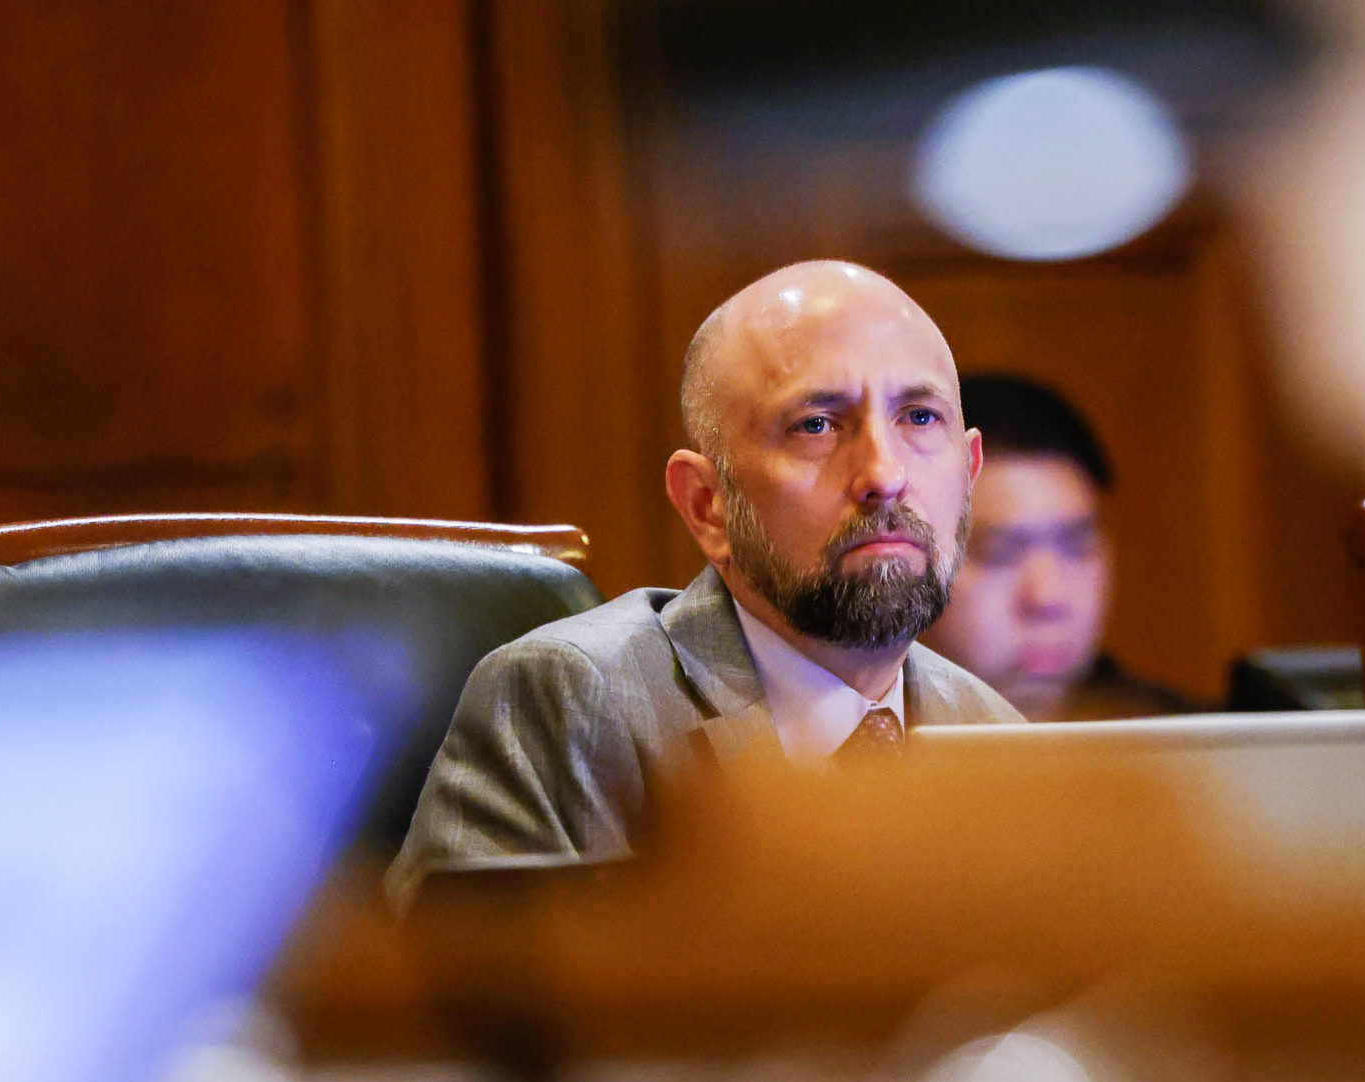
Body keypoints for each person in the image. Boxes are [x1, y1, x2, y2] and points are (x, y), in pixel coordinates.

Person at [388, 262, 1019, 904]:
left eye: (918, 417)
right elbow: (452, 997)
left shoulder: (1005, 744)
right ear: (707, 505)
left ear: (969, 472)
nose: (884, 474)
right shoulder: (574, 701)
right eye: (817, 425)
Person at [922, 373, 1203, 721]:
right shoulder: (850, 753)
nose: (1048, 598)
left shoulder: (1198, 752)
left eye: (1076, 547)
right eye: (999, 554)